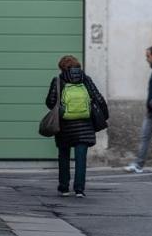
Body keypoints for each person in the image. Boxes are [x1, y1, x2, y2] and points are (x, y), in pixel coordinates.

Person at [45, 55, 108, 198]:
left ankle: (64, 188)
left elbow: (50, 102)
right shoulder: (86, 79)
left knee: (64, 156)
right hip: (85, 126)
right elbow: (98, 98)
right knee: (81, 159)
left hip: (64, 127)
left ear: (62, 67)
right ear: (77, 66)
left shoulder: (58, 81)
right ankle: (79, 190)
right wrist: (103, 116)